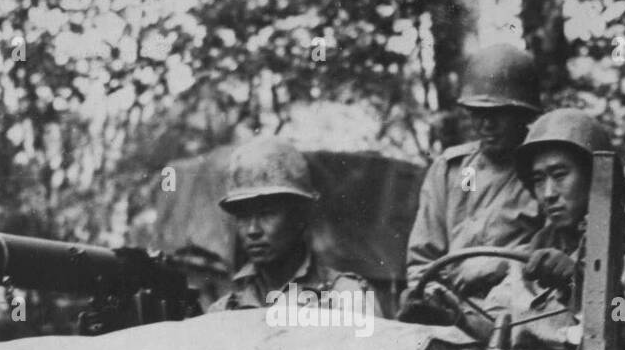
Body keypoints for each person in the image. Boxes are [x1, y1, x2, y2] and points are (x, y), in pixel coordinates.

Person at [469, 109, 625, 350]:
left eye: (559, 175)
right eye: (538, 180)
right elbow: (494, 324)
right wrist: (454, 317)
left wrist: (587, 286)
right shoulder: (528, 259)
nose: (548, 193)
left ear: (595, 179)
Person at [401, 45, 543, 309]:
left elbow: (564, 255)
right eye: (478, 113)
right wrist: (433, 300)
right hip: (449, 312)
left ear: (523, 114)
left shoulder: (543, 175)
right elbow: (423, 260)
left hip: (516, 315)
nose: (486, 125)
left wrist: (501, 264)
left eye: (499, 114)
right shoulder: (450, 170)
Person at [208, 137, 386, 317]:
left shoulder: (346, 299)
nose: (253, 230)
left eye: (267, 213)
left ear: (300, 216)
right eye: (243, 217)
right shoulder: (225, 310)